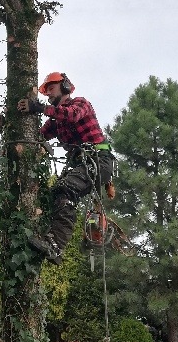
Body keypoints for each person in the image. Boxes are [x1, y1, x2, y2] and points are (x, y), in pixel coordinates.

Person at [17, 72, 114, 265]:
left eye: (51, 89)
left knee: (66, 188)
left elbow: (71, 116)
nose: (49, 95)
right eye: (46, 92)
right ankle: (52, 242)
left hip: (99, 161)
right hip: (83, 164)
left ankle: (55, 245)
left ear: (65, 87)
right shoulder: (55, 122)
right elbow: (35, 137)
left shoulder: (80, 104)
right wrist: (8, 126)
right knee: (58, 193)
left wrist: (38, 107)